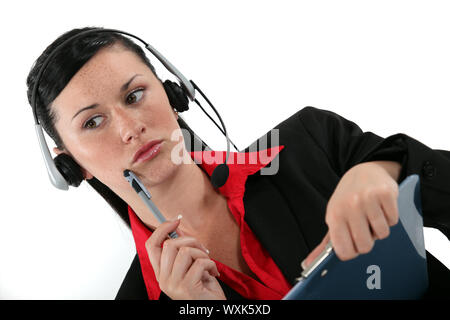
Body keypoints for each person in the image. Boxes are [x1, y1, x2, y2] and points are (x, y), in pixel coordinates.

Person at [26, 27, 450, 300]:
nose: (129, 128)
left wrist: (388, 171)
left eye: (135, 95)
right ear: (71, 166)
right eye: (93, 122)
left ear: (173, 95)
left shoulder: (311, 144)